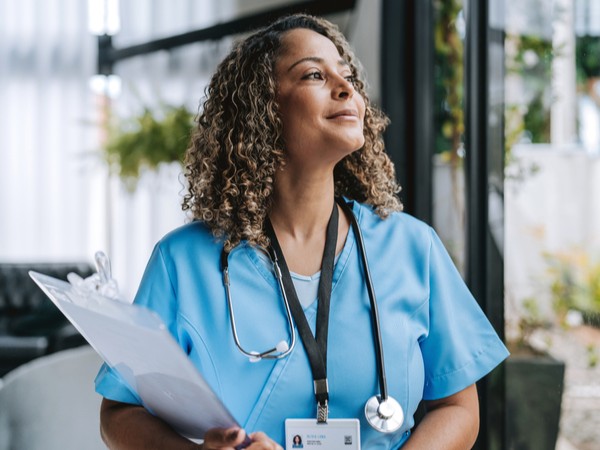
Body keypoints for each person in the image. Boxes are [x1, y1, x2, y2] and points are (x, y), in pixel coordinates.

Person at [95, 13, 508, 450]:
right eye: (314, 74)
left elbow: (459, 408)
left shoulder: (411, 248)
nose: (346, 87)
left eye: (347, 76)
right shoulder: (183, 261)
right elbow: (119, 412)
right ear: (262, 110)